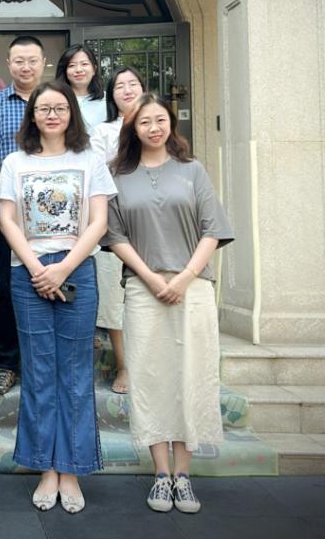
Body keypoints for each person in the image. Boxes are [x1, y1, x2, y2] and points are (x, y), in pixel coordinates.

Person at [102, 93, 233, 514]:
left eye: (160, 120)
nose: (153, 128)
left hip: (193, 288)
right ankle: (161, 474)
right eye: (144, 122)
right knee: (151, 377)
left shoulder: (193, 170)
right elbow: (115, 236)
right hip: (144, 289)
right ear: (133, 128)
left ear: (171, 124)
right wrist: (151, 277)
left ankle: (183, 475)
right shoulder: (117, 175)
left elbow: (212, 230)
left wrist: (185, 277)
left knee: (191, 375)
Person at [0, 81, 114, 514]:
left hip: (77, 268)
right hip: (28, 271)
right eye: (43, 108)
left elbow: (99, 221)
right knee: (39, 370)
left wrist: (63, 268)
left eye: (59, 108)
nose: (51, 115)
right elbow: (7, 221)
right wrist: (37, 268)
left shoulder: (89, 159)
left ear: (71, 114)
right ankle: (46, 466)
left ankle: (71, 468)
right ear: (32, 115)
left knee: (76, 372)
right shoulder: (15, 161)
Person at [0, 35, 47, 395]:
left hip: (49, 214)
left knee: (45, 282)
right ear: (9, 64)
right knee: (5, 287)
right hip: (1, 214)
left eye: (32, 60)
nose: (26, 67)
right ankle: (7, 362)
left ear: (44, 63)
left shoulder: (57, 103)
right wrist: (7, 196)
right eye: (19, 61)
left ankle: (40, 360)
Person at [90, 66, 145, 394]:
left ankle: (149, 367)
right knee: (114, 296)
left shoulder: (156, 125)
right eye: (119, 86)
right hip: (114, 220)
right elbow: (100, 173)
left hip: (152, 223)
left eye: (132, 83)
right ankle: (124, 366)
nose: (127, 90)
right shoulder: (103, 131)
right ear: (111, 96)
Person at [55, 44, 106, 132]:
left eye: (84, 64)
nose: (78, 70)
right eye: (72, 65)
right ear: (65, 71)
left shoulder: (108, 100)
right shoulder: (56, 100)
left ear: (94, 69)